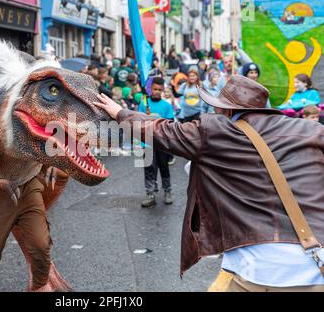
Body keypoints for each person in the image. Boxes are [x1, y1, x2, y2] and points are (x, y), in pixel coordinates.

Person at [94, 75, 324, 292]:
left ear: (229, 109)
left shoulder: (216, 131)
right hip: (316, 262)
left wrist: (120, 113)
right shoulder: (312, 130)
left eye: (218, 105)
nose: (215, 109)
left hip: (259, 269)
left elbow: (161, 131)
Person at [137, 77, 174, 208]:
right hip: (146, 142)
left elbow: (170, 125)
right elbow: (137, 122)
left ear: (163, 90)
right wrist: (145, 117)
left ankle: (167, 191)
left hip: (161, 142)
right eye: (154, 89)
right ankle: (150, 194)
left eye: (159, 89)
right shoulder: (143, 104)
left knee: (164, 167)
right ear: (150, 89)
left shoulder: (167, 106)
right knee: (149, 168)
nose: (157, 91)